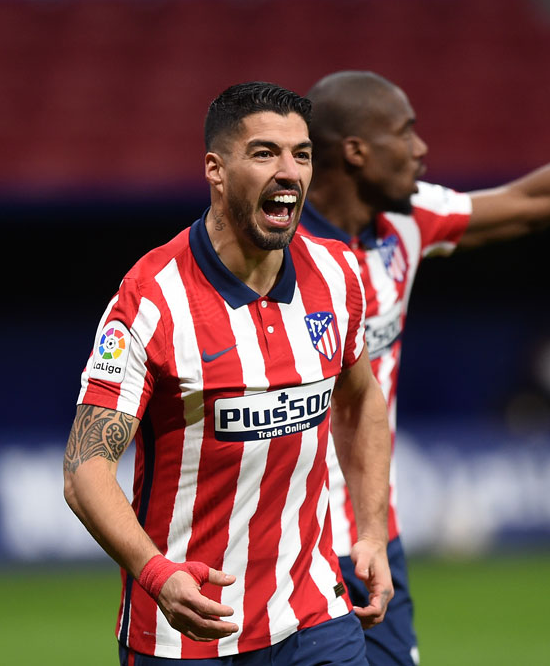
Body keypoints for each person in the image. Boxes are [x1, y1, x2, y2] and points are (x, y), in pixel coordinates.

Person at [300, 0, 550, 665]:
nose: (421, 149)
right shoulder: (271, 256)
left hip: (373, 536)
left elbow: (532, 203)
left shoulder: (407, 221)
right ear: (355, 151)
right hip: (285, 546)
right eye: (404, 134)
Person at [63, 82, 393, 665]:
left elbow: (360, 399)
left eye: (303, 154)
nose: (289, 171)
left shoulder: (337, 273)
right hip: (182, 636)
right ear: (216, 170)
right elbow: (84, 467)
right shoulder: (152, 299)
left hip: (314, 613)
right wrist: (156, 573)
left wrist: (370, 531)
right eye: (265, 153)